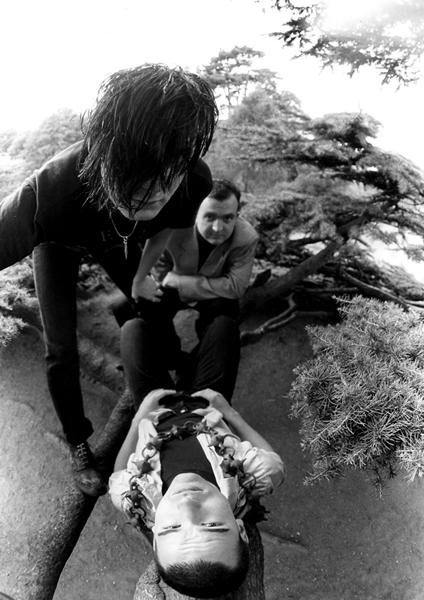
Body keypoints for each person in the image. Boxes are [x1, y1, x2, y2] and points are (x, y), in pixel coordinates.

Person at [0, 64, 218, 496]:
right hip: (59, 242)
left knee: (148, 300)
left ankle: (169, 364)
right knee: (61, 347)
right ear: (103, 154)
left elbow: (167, 228)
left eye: (169, 173)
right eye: (140, 173)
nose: (155, 191)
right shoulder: (50, 192)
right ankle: (79, 444)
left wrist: (141, 277)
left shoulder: (192, 180)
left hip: (117, 239)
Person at [109, 316, 285, 598]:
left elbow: (117, 476)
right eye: (212, 525)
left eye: (171, 527)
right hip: (207, 405)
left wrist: (139, 417)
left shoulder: (135, 500)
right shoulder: (251, 478)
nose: (187, 506)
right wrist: (228, 412)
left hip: (157, 411)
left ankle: (179, 361)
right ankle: (184, 362)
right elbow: (273, 461)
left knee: (133, 329)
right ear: (240, 530)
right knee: (223, 326)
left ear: (155, 540)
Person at [112, 178, 259, 397]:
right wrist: (170, 283)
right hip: (184, 286)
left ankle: (202, 364)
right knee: (126, 306)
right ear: (195, 212)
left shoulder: (246, 238)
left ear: (237, 215)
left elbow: (236, 286)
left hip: (213, 295)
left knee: (224, 321)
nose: (218, 228)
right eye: (210, 217)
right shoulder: (173, 227)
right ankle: (171, 358)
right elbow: (159, 272)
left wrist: (184, 282)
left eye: (228, 218)